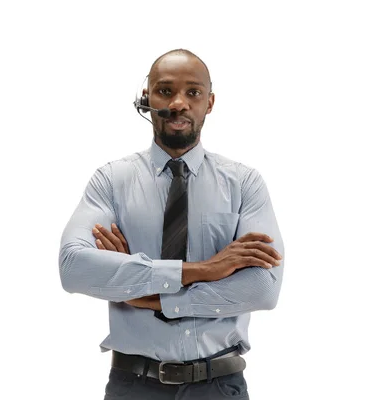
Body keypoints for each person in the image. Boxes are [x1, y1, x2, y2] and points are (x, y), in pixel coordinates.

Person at [59, 48, 284, 400]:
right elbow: (73, 267)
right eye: (165, 91)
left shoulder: (244, 184)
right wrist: (205, 269)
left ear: (209, 103)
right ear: (146, 98)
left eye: (192, 92)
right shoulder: (111, 181)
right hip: (132, 385)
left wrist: (151, 296)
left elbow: (263, 289)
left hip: (219, 386)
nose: (179, 103)